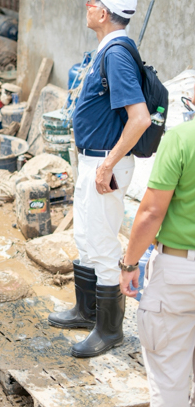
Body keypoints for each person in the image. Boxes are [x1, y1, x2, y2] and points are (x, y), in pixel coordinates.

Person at [47, 0, 151, 358]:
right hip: (94, 159)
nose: (86, 6)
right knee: (88, 239)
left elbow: (139, 118)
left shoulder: (117, 54)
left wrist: (107, 165)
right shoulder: (107, 49)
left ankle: (109, 331)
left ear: (103, 12)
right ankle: (86, 311)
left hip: (106, 161)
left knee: (104, 245)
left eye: (91, 2)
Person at [120, 86, 195, 406]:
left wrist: (129, 264)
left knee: (169, 380)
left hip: (180, 273)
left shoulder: (182, 138)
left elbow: (151, 212)